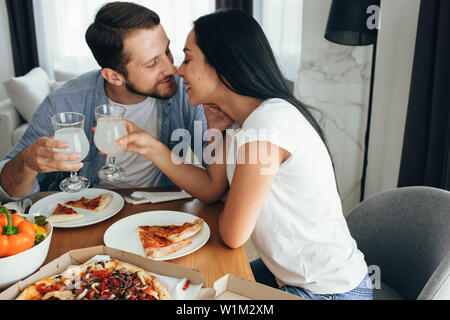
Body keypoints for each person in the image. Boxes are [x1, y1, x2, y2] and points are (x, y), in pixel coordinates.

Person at [117, 9, 373, 300]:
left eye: (188, 59)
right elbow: (212, 189)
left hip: (328, 292)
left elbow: (233, 233)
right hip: (288, 276)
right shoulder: (243, 121)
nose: (179, 70)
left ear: (222, 65)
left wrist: (231, 198)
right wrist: (155, 146)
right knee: (188, 288)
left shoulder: (268, 124)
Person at [0, 1, 208, 201]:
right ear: (113, 77)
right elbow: (7, 191)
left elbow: (215, 169)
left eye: (167, 51)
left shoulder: (186, 90)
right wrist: (26, 163)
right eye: (153, 63)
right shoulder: (64, 103)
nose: (172, 69)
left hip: (158, 211)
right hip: (84, 212)